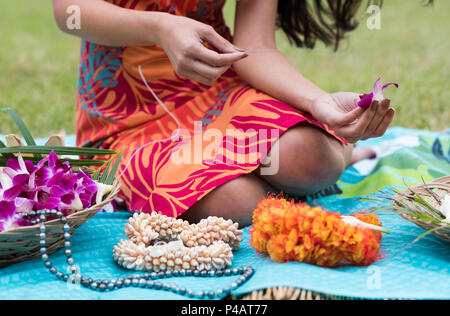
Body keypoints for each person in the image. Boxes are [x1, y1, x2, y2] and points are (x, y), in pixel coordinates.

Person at [52, 0, 394, 226]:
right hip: (127, 117)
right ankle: (275, 177)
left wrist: (317, 103)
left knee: (310, 158)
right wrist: (160, 27)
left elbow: (255, 46)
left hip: (219, 93)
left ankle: (332, 152)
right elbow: (69, 12)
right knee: (235, 203)